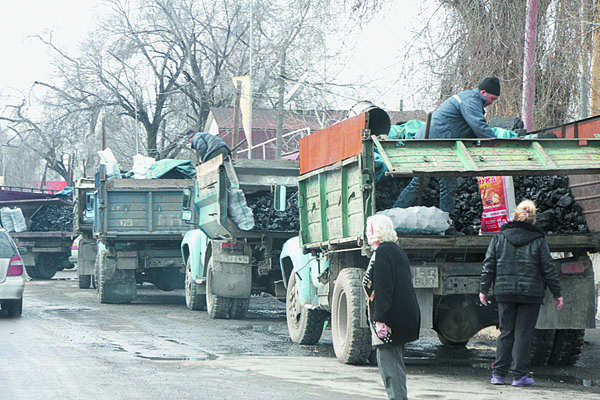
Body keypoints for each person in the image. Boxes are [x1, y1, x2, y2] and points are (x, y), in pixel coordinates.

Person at [393, 77, 501, 235]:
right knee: (423, 183)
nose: (492, 102)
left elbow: (468, 130)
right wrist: (497, 143)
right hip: (433, 144)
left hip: (441, 145)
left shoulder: (470, 99)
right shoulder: (471, 100)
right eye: (492, 98)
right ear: (483, 92)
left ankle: (447, 225)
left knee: (444, 185)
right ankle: (393, 216)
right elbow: (478, 125)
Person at [479, 199, 564, 387]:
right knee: (523, 333)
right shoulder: (539, 241)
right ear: (533, 221)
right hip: (530, 294)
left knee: (506, 332)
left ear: (514, 216)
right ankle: (519, 376)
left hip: (505, 292)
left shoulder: (500, 237)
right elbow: (548, 268)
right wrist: (557, 293)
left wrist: (484, 289)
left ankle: (498, 375)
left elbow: (489, 265)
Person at [362, 214, 421, 400]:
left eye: (368, 229)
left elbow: (383, 289)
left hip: (390, 321)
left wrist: (380, 319)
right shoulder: (395, 251)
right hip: (400, 317)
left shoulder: (382, 254)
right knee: (393, 368)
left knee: (391, 370)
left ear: (373, 232)